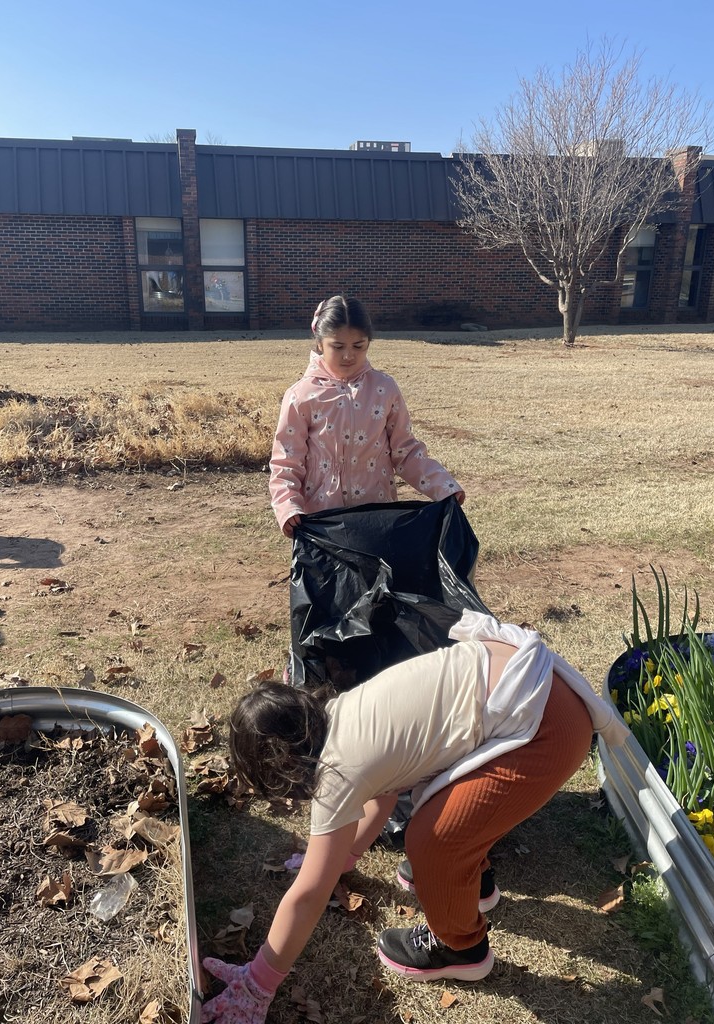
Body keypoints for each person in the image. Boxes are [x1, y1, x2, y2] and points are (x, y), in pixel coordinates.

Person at [200, 611, 630, 1022]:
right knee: (445, 821)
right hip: (534, 686)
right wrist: (341, 860)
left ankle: (461, 948)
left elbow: (308, 895)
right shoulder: (344, 713)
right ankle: (473, 885)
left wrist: (258, 984)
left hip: (548, 729)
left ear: (280, 768)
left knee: (431, 842)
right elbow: (382, 797)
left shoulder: (336, 771)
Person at [269, 295, 464, 537]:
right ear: (319, 343)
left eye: (358, 346)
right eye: (338, 346)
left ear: (369, 343)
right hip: (324, 522)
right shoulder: (301, 396)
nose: (348, 355)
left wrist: (444, 487)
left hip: (377, 516)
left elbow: (406, 452)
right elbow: (287, 461)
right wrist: (288, 507)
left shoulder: (384, 389)